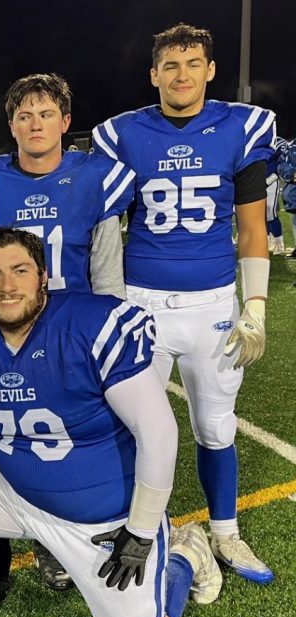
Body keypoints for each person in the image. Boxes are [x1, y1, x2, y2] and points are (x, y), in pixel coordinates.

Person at [0, 228, 222, 617]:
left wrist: (138, 532)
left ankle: (185, 555)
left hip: (102, 518)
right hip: (13, 490)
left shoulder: (92, 324)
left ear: (43, 276)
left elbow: (158, 432)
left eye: (20, 271)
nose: (7, 286)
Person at [91, 23, 276, 584]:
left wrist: (257, 305)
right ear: (154, 75)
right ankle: (139, 530)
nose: (181, 74)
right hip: (143, 305)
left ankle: (225, 533)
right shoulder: (125, 134)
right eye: (170, 65)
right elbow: (104, 227)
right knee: (134, 426)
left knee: (216, 428)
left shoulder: (239, 128)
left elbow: (251, 229)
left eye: (192, 63)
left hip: (214, 305)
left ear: (210, 70)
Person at [0, 72, 136, 599]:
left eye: (46, 114)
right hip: (7, 328)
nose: (35, 124)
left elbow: (108, 268)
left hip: (72, 329)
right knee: (2, 435)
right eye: (24, 115)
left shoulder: (96, 177)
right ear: (11, 125)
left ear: (66, 123)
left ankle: (58, 545)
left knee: (67, 438)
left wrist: (106, 324)